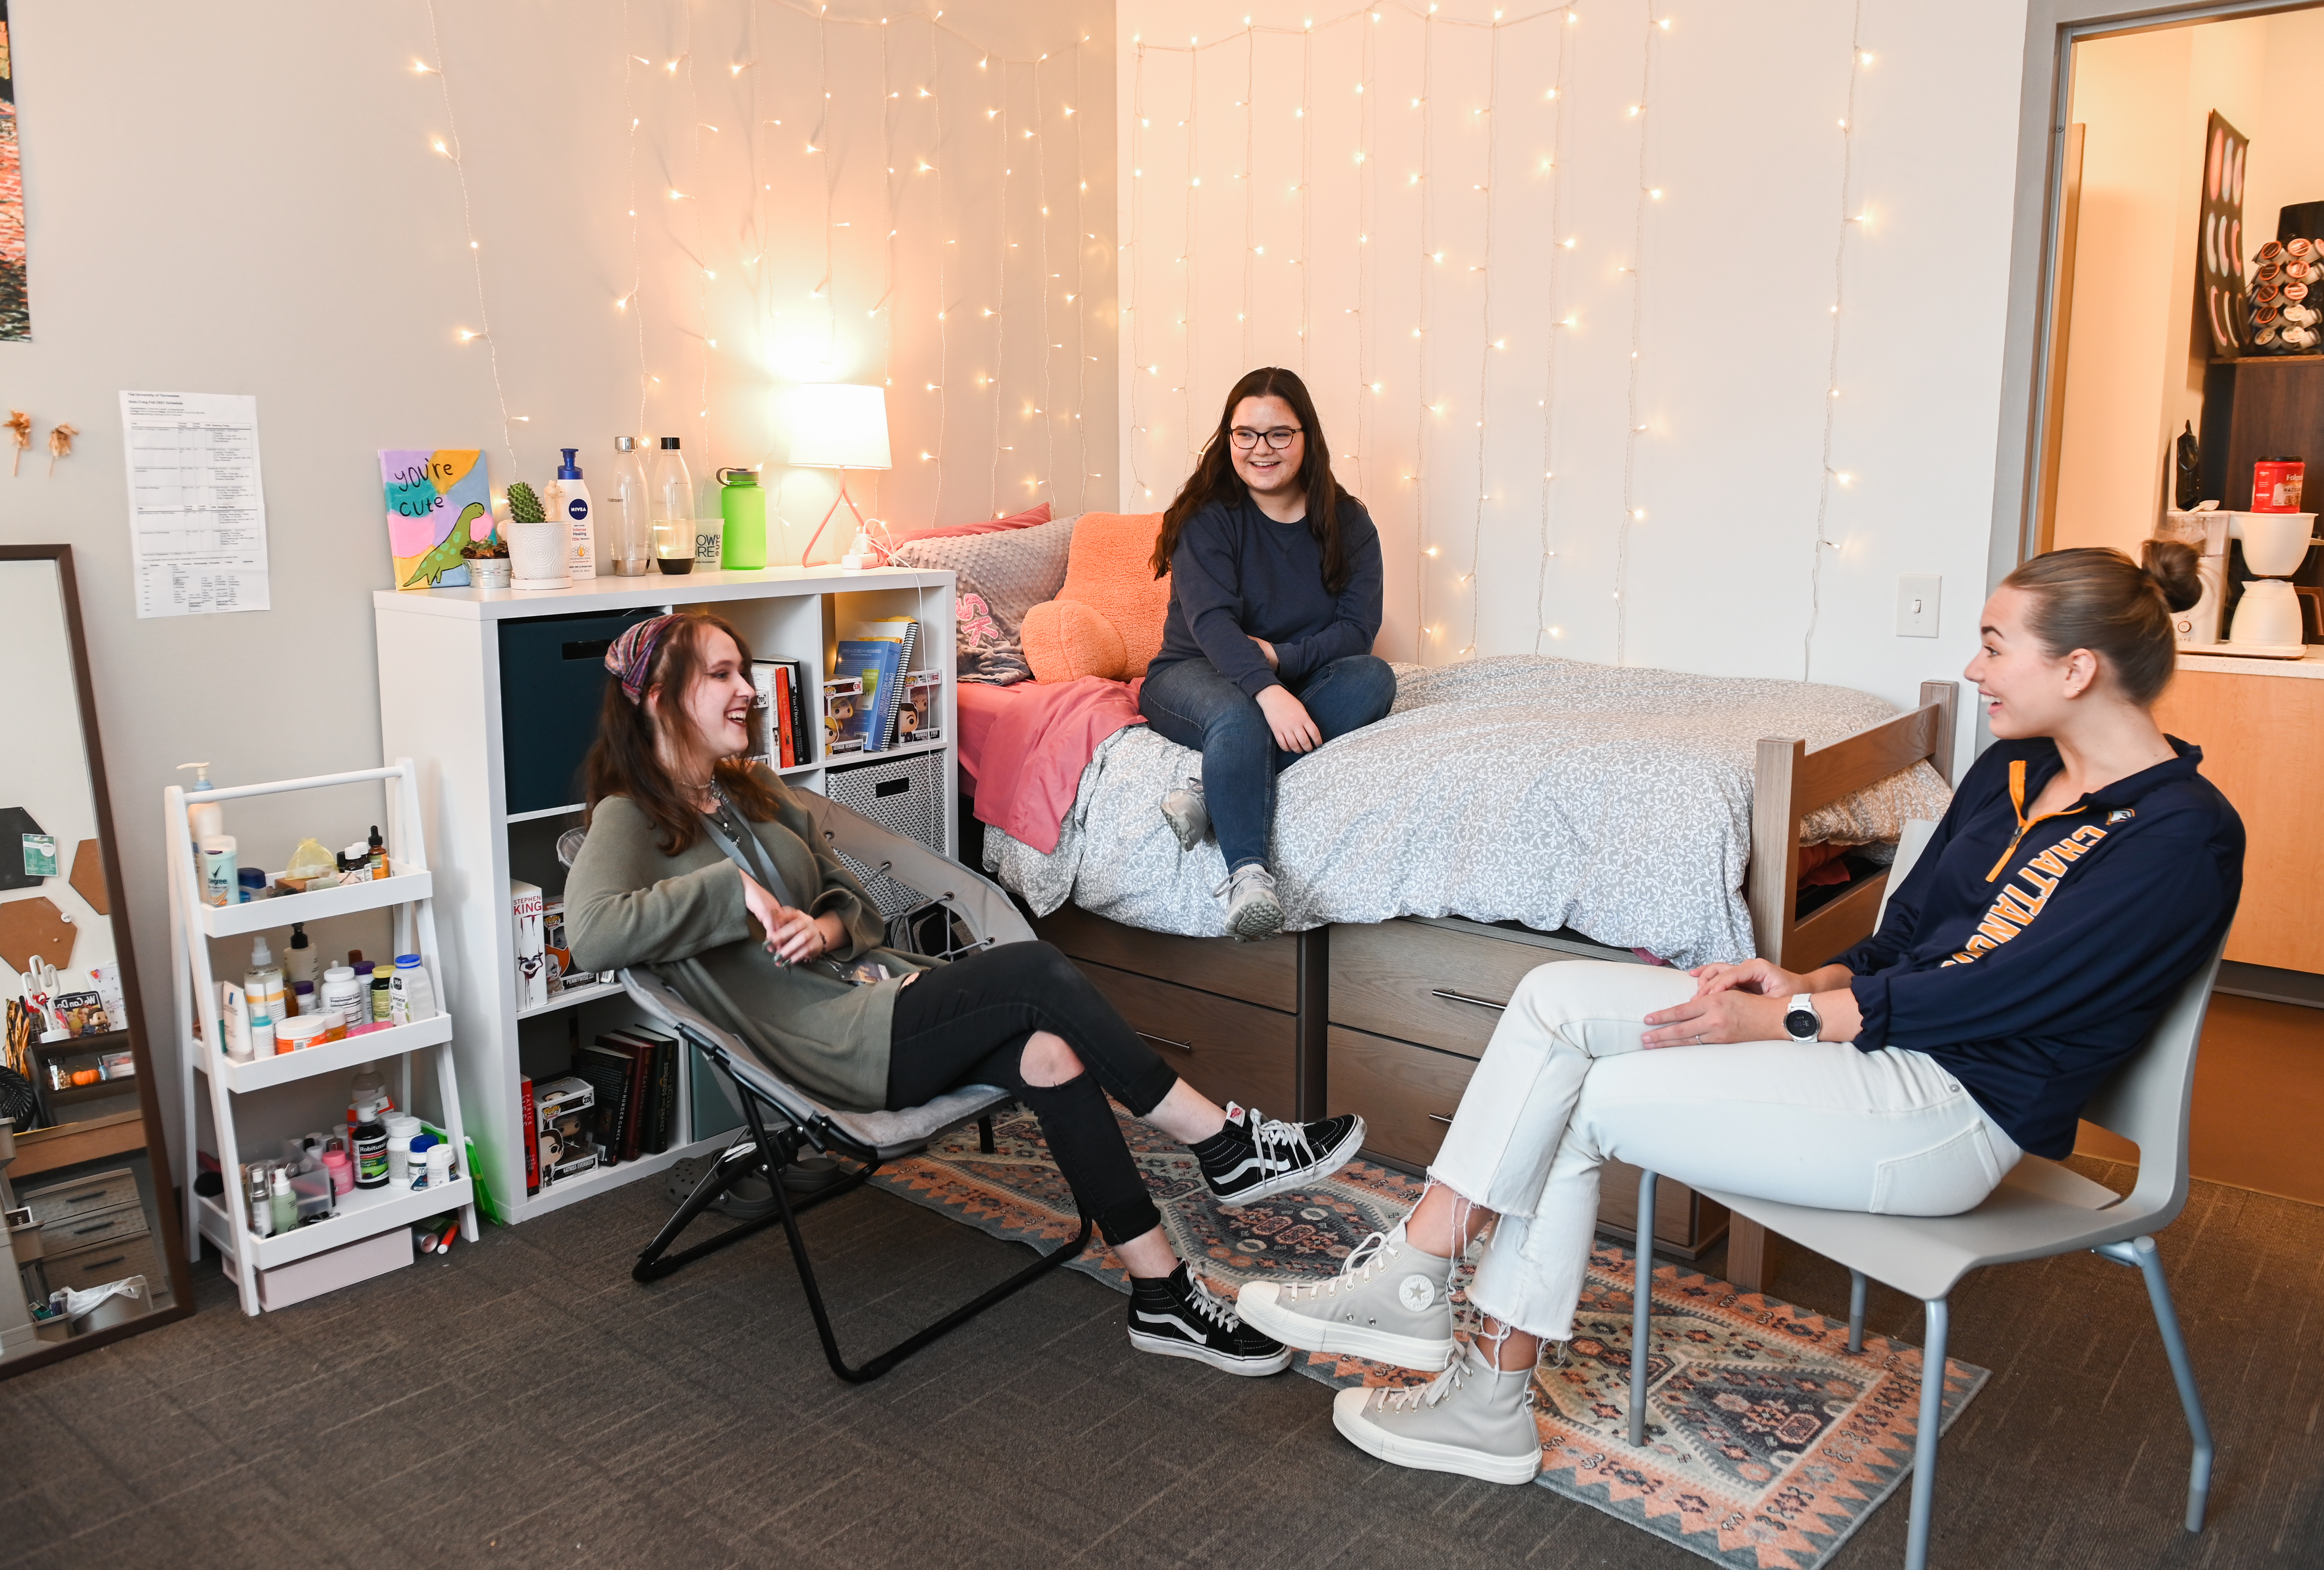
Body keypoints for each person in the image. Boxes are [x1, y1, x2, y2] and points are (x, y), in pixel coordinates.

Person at [1236, 543, 2243, 1482]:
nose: (1975, 669)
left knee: (1590, 1100)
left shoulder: (2179, 837)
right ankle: (1419, 1274)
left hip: (1958, 1109)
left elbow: (2002, 992)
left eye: (1993, 645)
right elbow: (1906, 940)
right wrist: (1800, 982)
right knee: (1551, 999)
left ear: (2076, 671)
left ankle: (1487, 1399)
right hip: (1873, 1043)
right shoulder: (2013, 770)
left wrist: (1795, 1027)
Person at [565, 612, 1367, 1375]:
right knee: (1032, 970)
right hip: (835, 1045)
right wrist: (728, 893)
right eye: (722, 675)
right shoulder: (628, 822)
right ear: (662, 700)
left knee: (1049, 1053)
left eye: (743, 670)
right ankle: (1222, 1144)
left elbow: (858, 898)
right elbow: (594, 935)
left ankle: (1161, 1295)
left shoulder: (755, 792)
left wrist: (829, 930)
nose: (747, 688)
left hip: (885, 996)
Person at [1141, 366, 1396, 939]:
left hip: (1285, 674)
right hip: (1191, 673)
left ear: (1308, 439)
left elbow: (1358, 630)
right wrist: (1268, 692)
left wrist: (1280, 662)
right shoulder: (1207, 519)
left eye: (1280, 434)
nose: (1261, 449)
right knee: (1240, 717)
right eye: (1245, 434)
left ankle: (1213, 788)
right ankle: (1248, 877)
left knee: (1373, 679)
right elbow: (1212, 625)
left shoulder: (1348, 522)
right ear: (1228, 438)